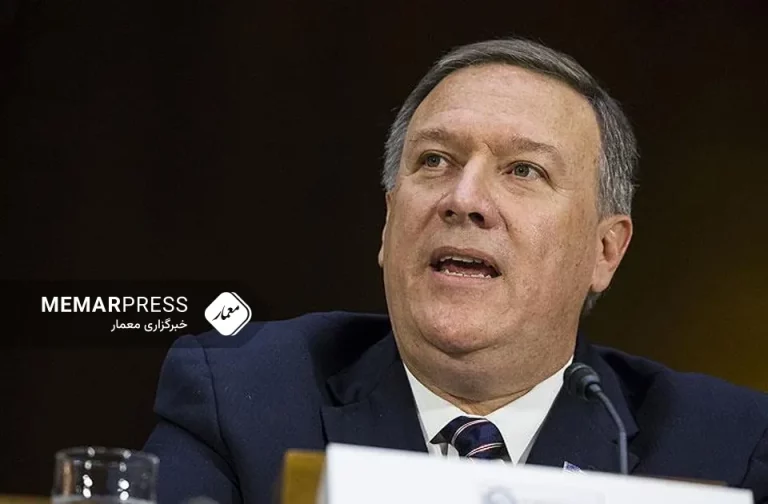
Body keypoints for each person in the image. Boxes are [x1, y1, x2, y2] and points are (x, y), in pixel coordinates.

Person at [144, 38, 768, 504]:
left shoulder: (725, 445)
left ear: (605, 251)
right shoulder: (246, 396)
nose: (464, 198)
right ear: (388, 226)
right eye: (436, 160)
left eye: (524, 170)